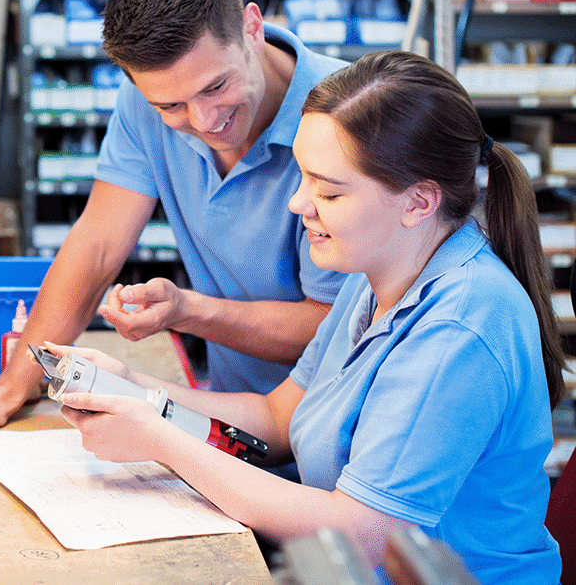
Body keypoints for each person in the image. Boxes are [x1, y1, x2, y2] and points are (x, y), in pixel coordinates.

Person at [54, 50, 565, 585]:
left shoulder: (459, 327)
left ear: (418, 202)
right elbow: (277, 418)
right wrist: (130, 387)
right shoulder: (375, 274)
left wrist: (161, 440)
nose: (299, 204)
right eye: (302, 177)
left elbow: (366, 535)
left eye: (330, 191)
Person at [0, 0, 349, 434]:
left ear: (252, 27)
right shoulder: (146, 98)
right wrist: (13, 387)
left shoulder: (348, 121)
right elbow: (97, 244)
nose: (204, 121)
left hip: (336, 433)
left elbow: (338, 329)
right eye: (171, 107)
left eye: (215, 87)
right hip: (238, 420)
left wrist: (190, 311)